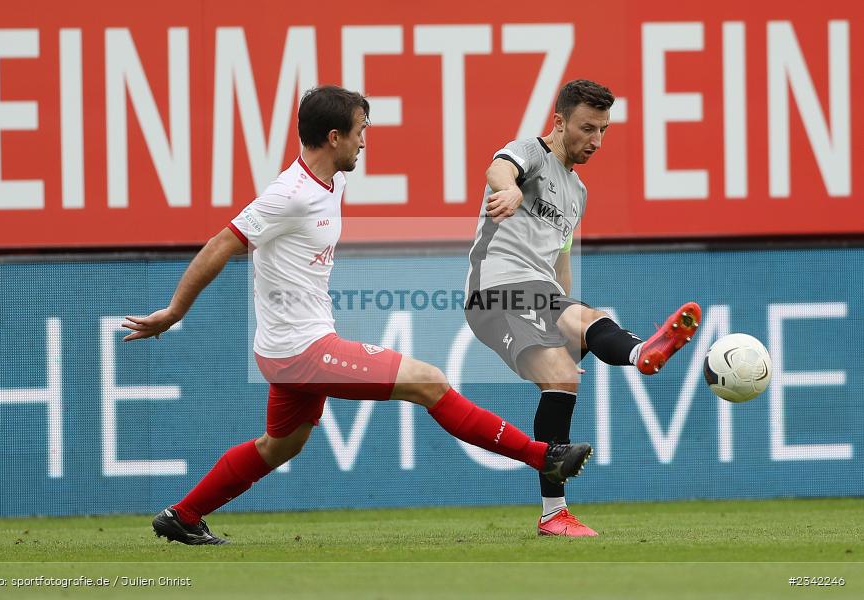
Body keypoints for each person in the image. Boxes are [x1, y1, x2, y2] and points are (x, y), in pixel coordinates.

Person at [122, 85, 593, 545]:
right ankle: (543, 457)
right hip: (301, 349)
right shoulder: (289, 194)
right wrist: (174, 312)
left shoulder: (334, 181)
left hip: (290, 346)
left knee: (280, 445)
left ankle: (183, 515)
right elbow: (220, 245)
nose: (364, 141)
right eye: (360, 130)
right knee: (428, 381)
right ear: (334, 137)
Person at [464, 79, 701, 538]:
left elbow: (561, 262)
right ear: (559, 122)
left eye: (603, 130)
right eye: (587, 128)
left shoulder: (578, 192)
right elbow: (498, 168)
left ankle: (554, 514)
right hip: (495, 289)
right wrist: (509, 190)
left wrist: (569, 328)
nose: (596, 141)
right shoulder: (531, 153)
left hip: (541, 290)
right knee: (570, 351)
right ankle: (638, 351)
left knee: (569, 363)